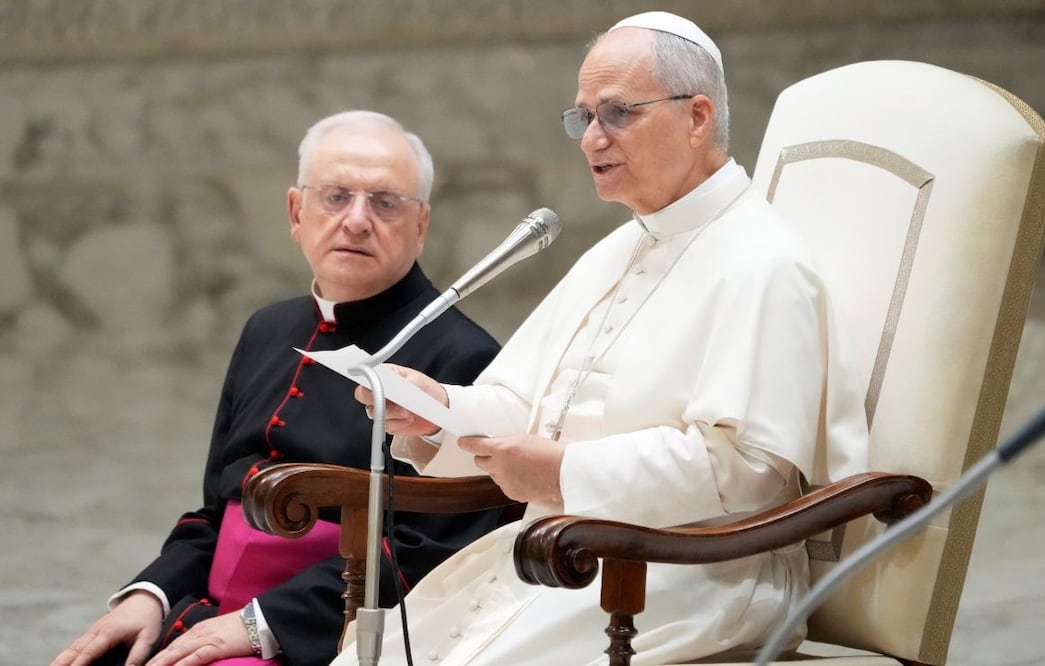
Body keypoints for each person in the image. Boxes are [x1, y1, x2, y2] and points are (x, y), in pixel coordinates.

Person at [338, 11, 869, 666]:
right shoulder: (620, 248)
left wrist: (563, 472)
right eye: (583, 116)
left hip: (688, 577)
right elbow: (527, 406)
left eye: (617, 113)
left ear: (696, 116)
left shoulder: (764, 265)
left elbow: (748, 470)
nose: (592, 138)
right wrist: (438, 411)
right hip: (566, 556)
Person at [51, 111, 504, 666]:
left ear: (421, 224)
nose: (357, 221)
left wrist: (264, 622)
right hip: (206, 610)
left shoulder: (463, 357)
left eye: (385, 203)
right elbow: (216, 510)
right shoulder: (267, 329)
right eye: (336, 197)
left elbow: (440, 554)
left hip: (327, 632)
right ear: (296, 213)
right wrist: (153, 593)